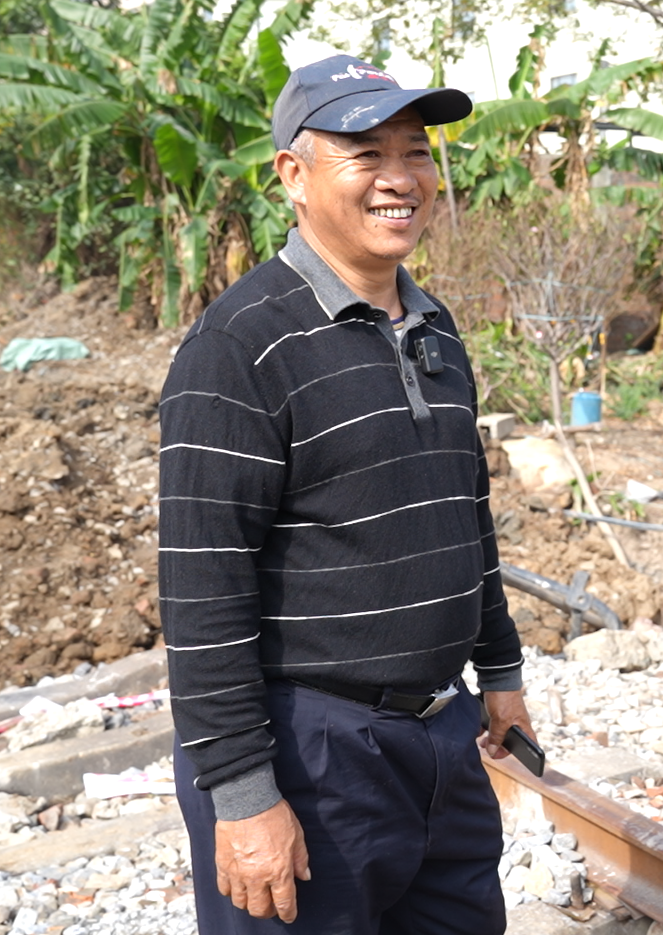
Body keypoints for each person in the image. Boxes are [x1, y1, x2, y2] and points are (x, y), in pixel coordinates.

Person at [159, 54, 534, 933]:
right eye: (365, 153)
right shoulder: (240, 347)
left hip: (442, 736)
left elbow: (462, 516)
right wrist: (246, 797)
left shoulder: (434, 327)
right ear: (294, 174)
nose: (400, 178)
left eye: (416, 150)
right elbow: (202, 589)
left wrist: (502, 671)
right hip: (312, 750)